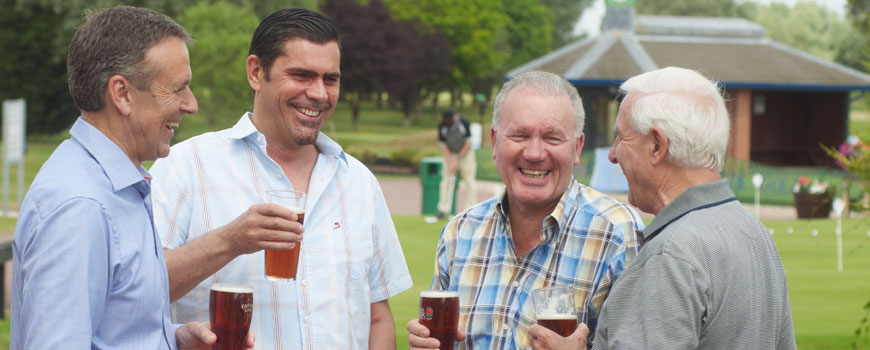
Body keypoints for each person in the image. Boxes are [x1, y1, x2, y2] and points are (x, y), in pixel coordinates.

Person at [148, 7, 412, 349]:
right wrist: (229, 241)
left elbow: (377, 316)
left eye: (330, 79)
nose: (319, 93)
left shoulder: (359, 182)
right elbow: (139, 289)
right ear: (256, 72)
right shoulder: (185, 167)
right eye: (302, 75)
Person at [10, 6, 250, 350]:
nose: (191, 104)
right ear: (122, 94)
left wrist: (172, 339)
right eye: (178, 88)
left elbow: (114, 328)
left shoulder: (115, 185)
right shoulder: (81, 206)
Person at [407, 70, 644, 350]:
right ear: (494, 141)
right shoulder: (459, 233)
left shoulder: (617, 234)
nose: (534, 152)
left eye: (552, 138)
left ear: (577, 148)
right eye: (519, 135)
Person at [582, 66, 796, 349]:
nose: (612, 154)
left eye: (622, 136)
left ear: (658, 145)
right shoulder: (754, 233)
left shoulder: (671, 254)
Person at [437, 109, 477, 218]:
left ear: (454, 117)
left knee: (469, 181)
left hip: (466, 154)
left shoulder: (464, 123)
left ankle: (471, 209)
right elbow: (443, 146)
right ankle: (443, 209)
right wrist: (451, 162)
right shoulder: (442, 126)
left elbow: (468, 143)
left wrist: (457, 160)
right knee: (445, 181)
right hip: (450, 154)